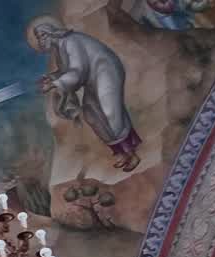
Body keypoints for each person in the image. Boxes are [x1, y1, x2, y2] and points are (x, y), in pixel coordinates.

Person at [30, 17, 141, 172]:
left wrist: (54, 84)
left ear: (50, 34)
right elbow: (66, 71)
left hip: (106, 71)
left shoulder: (70, 42)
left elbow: (77, 72)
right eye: (38, 38)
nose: (40, 42)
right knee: (92, 115)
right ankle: (121, 152)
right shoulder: (60, 49)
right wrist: (52, 78)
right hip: (92, 78)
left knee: (109, 112)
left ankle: (132, 153)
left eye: (42, 36)